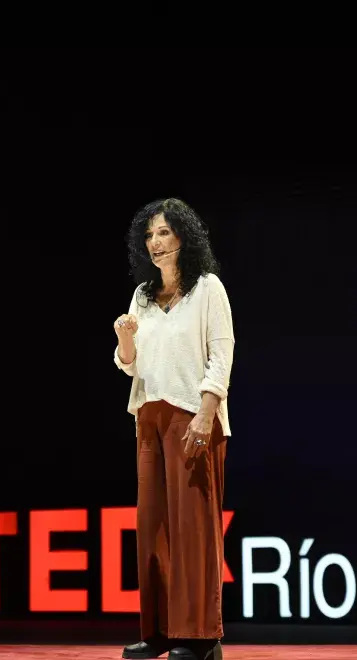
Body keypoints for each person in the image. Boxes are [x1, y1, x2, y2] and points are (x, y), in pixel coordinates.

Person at [113, 198, 234, 660]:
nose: (156, 243)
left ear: (183, 236)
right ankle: (160, 632)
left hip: (193, 416)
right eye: (149, 235)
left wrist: (206, 412)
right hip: (149, 418)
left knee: (193, 531)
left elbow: (221, 356)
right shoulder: (142, 296)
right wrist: (126, 344)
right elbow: (130, 367)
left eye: (164, 232)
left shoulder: (208, 289)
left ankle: (201, 636)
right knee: (154, 530)